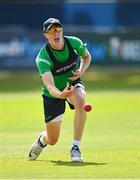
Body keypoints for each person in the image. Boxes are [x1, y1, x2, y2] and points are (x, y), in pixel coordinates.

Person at [28, 18, 91, 162]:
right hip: (53, 94)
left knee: (80, 100)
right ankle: (41, 141)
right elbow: (50, 86)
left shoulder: (74, 43)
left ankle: (76, 147)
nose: (56, 33)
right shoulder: (43, 58)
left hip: (72, 83)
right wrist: (61, 94)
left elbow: (86, 57)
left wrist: (80, 70)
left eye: (58, 29)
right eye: (51, 30)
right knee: (53, 139)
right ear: (45, 35)